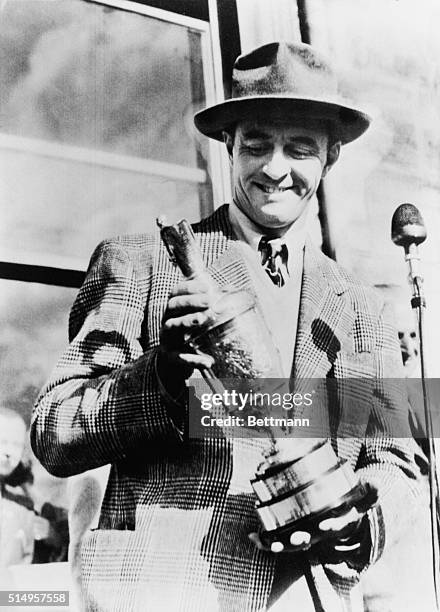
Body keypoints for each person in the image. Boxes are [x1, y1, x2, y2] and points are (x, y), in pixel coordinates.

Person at [31, 42, 426, 611]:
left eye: (300, 148)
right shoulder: (139, 264)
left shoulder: (364, 307)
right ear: (229, 144)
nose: (274, 168)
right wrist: (159, 381)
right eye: (258, 145)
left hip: (310, 598)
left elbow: (398, 461)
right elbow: (53, 431)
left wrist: (362, 527)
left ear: (331, 157)